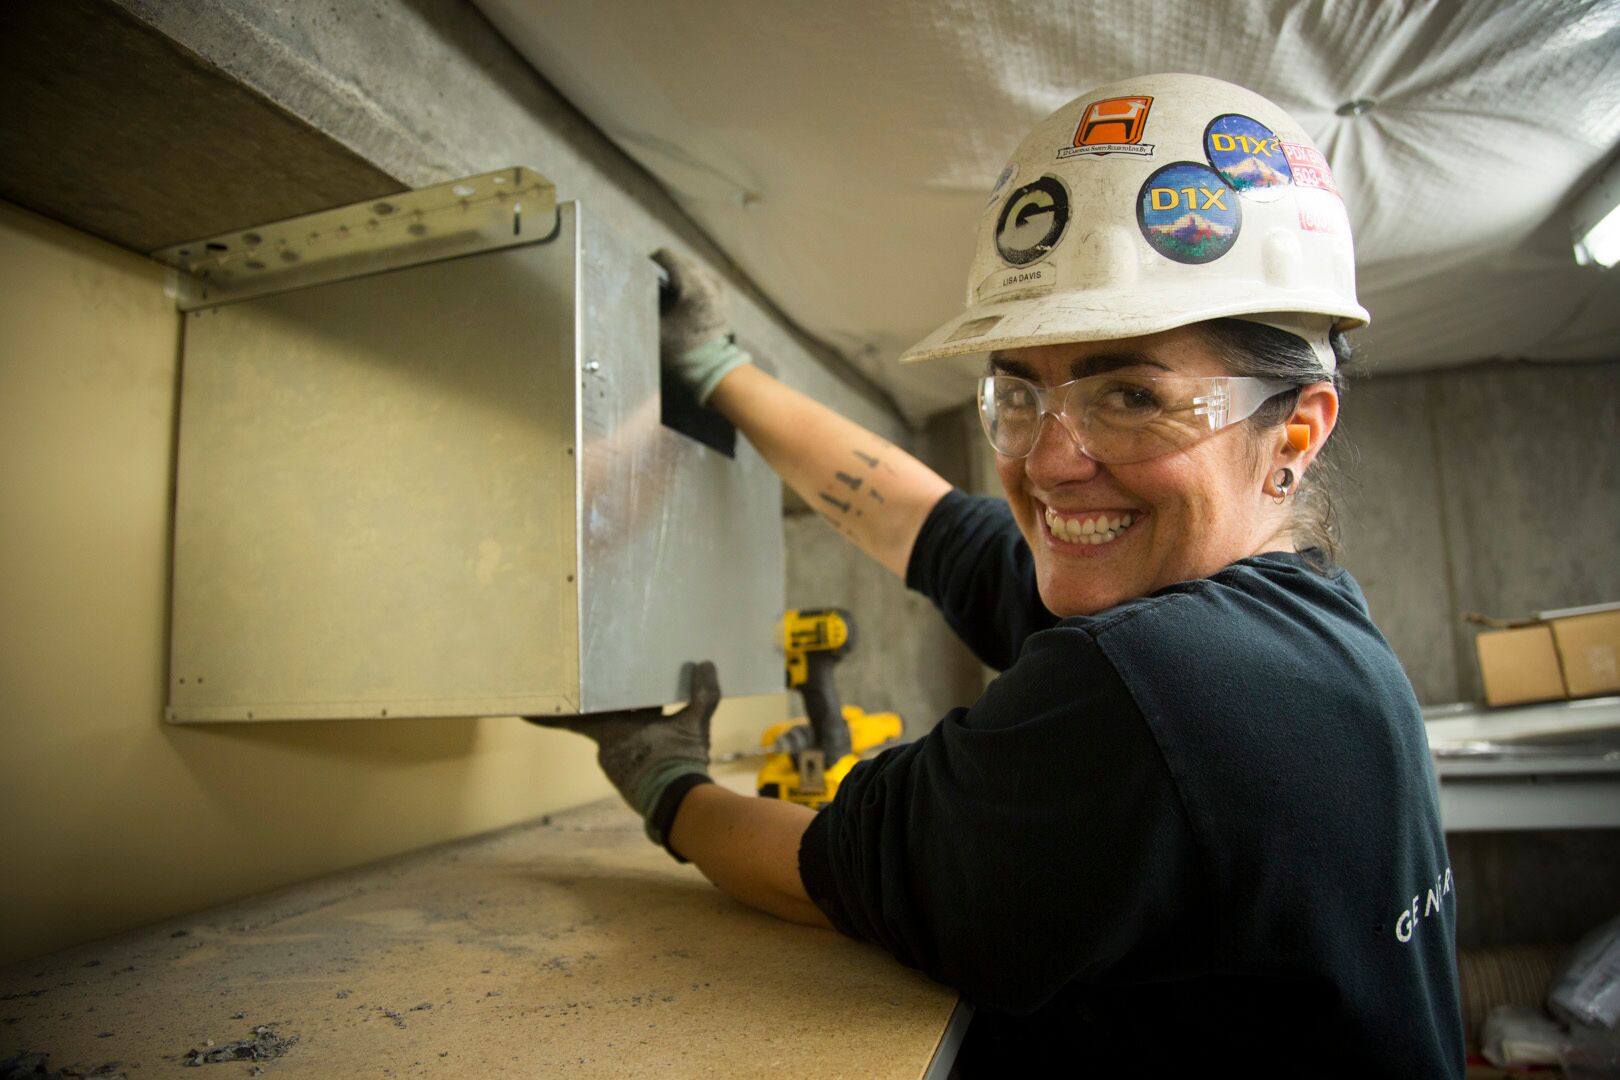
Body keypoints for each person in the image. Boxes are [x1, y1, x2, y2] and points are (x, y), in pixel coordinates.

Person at [533, 73, 1465, 1076]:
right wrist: (716, 369)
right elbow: (923, 522)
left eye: (1132, 396)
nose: (1048, 461)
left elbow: (823, 872)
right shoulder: (1302, 613)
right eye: (1019, 395)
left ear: (1294, 429)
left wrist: (658, 777)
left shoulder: (1160, 683)